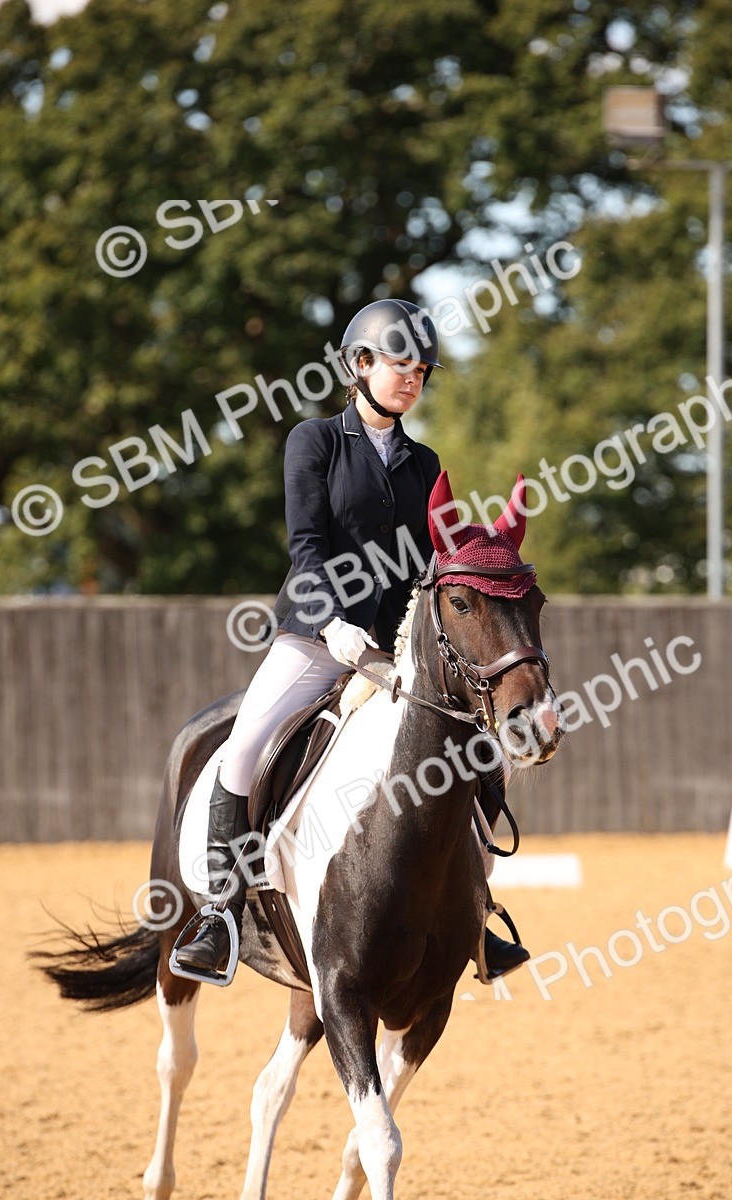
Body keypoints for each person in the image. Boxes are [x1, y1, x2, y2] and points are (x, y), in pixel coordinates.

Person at [176, 299, 529, 981]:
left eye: (421, 369)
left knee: (488, 757)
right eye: (400, 364)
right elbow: (307, 549)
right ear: (359, 364)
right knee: (245, 746)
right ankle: (219, 913)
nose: (412, 378)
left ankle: (476, 912)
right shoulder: (314, 442)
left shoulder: (425, 463)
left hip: (396, 648)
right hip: (316, 638)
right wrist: (333, 624)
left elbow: (431, 564)